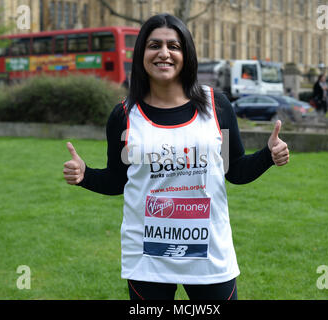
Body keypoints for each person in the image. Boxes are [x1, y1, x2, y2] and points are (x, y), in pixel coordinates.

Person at [63, 14, 289, 300]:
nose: (164, 53)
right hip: (148, 258)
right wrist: (85, 175)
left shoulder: (217, 106)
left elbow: (235, 171)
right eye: (154, 45)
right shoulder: (124, 116)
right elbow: (117, 181)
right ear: (141, 53)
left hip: (209, 254)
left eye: (174, 46)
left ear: (187, 54)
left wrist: (269, 155)